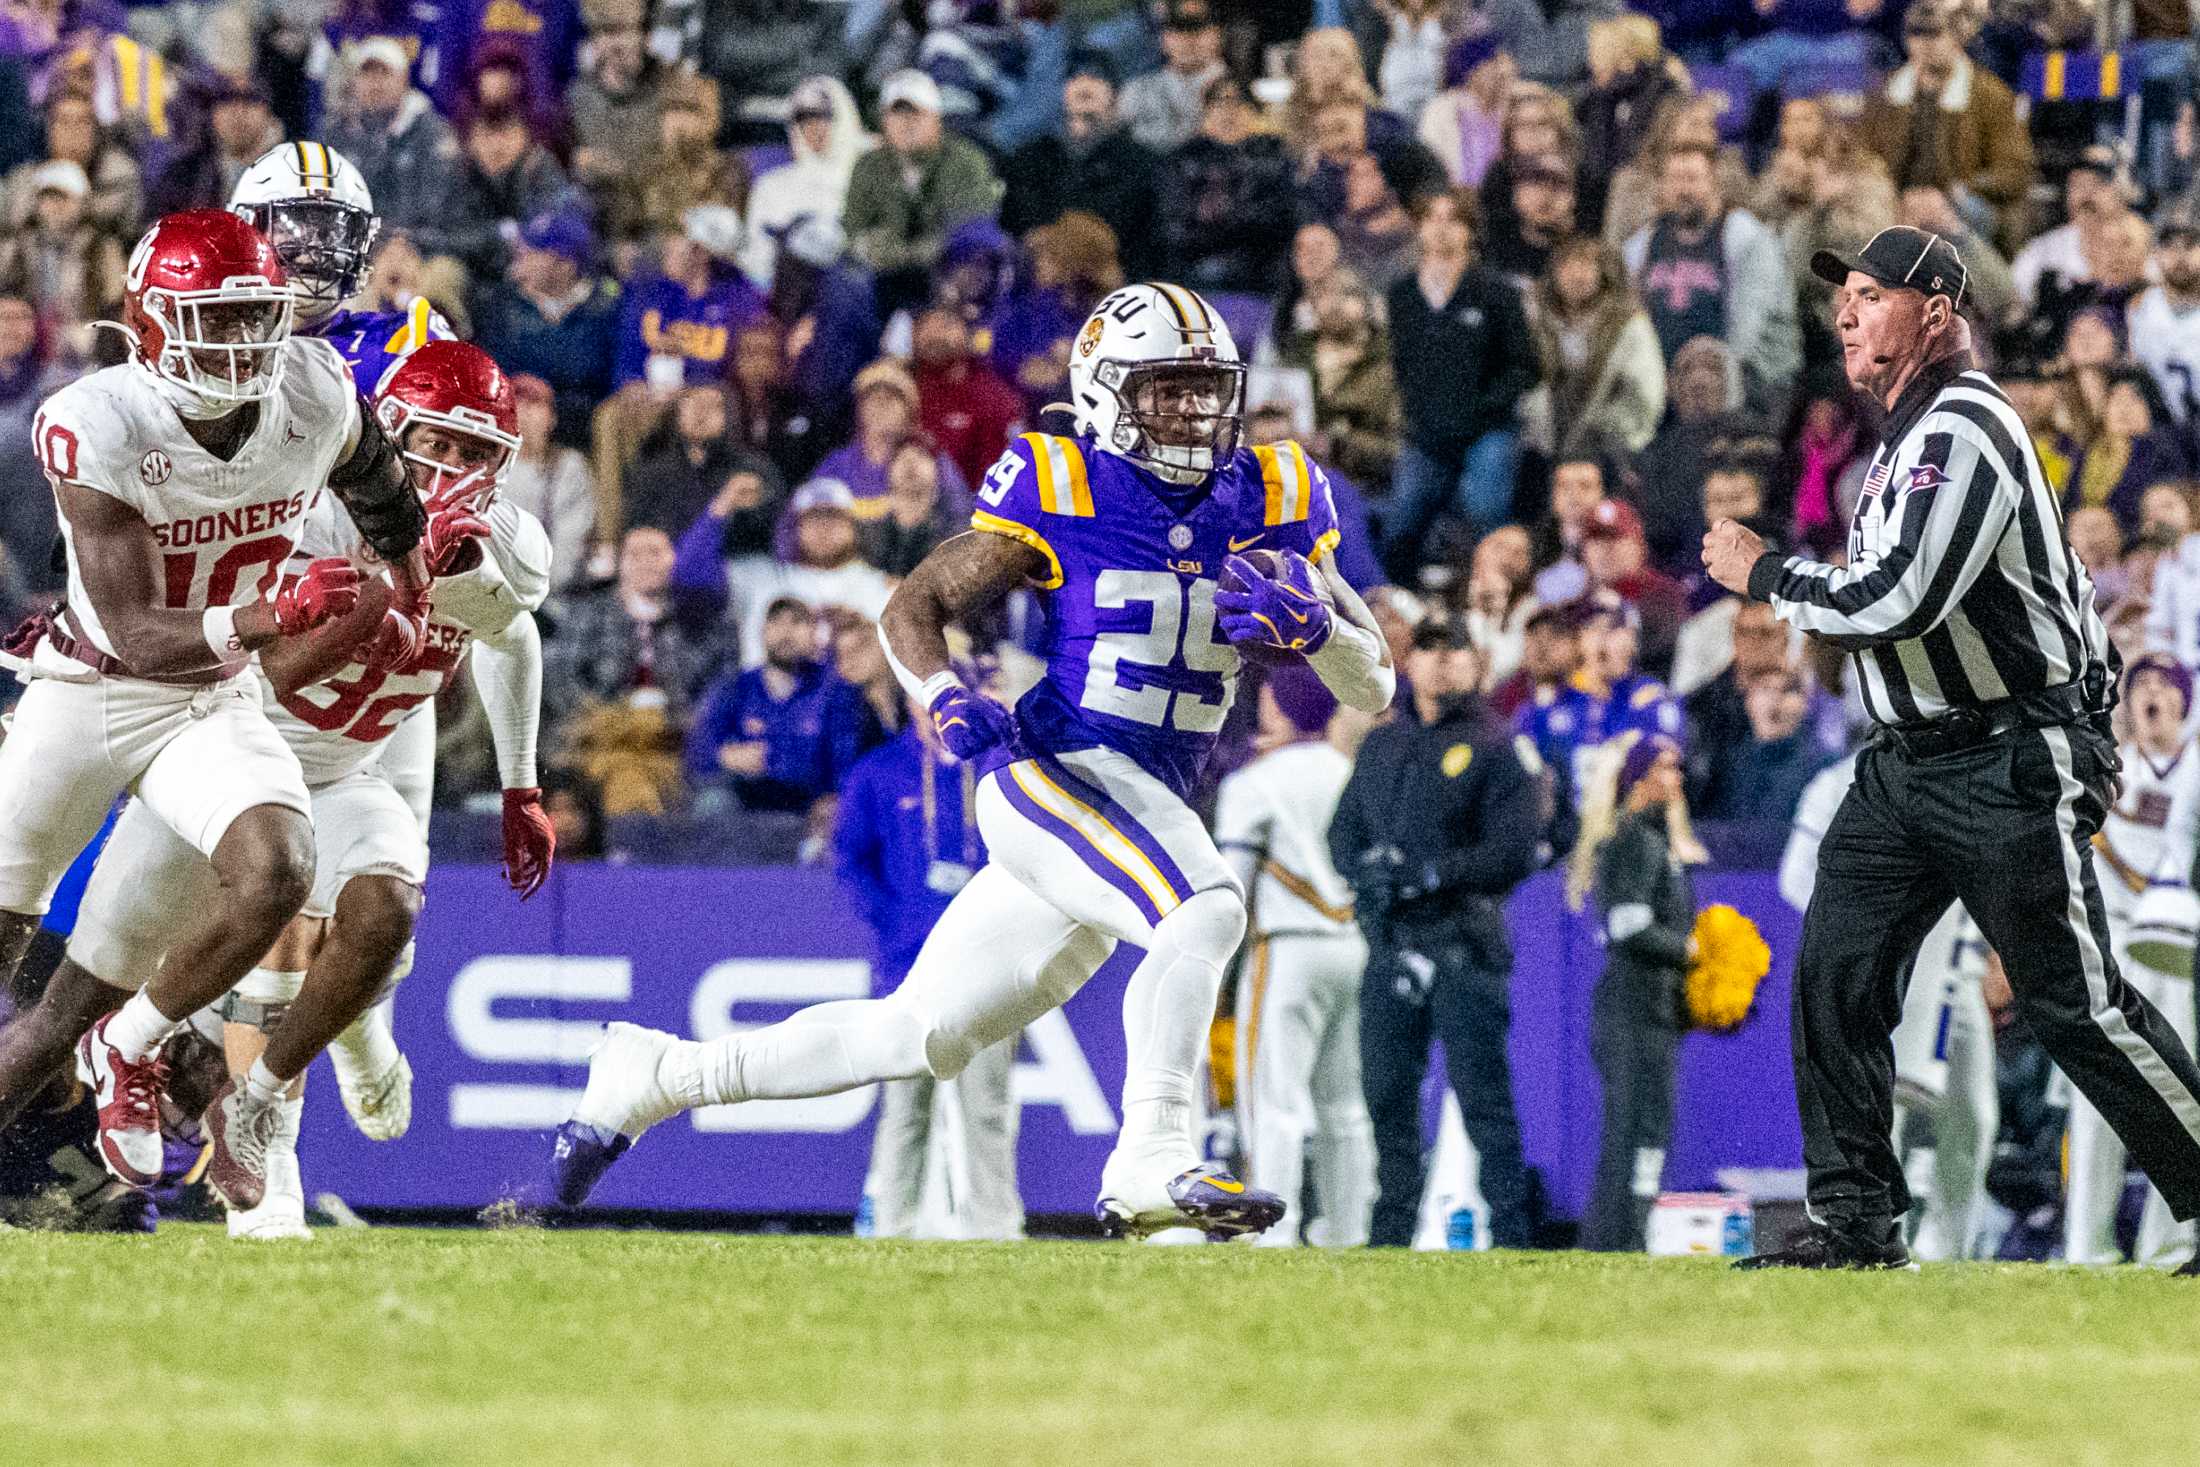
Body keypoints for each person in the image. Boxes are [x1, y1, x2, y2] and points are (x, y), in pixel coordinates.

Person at [547, 281, 1396, 1240]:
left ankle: (654, 1075)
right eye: (1168, 390)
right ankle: (1153, 1153)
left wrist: (1322, 629)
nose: (1195, 413)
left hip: (1138, 799)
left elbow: (1375, 687)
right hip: (1057, 770)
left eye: (1208, 389)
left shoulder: (1277, 491)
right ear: (1108, 393)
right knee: (1203, 907)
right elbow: (912, 606)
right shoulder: (1061, 481)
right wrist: (947, 699)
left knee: (917, 1034)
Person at [1703, 225, 2200, 1270]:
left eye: (1873, 295)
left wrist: (1765, 574)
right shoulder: (1909, 436)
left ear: (1936, 311)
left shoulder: (1964, 428)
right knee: (1835, 975)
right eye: (1844, 298)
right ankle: (1853, 1224)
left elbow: (1899, 598)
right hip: (1911, 760)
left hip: (2008, 755)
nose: (1846, 312)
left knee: (2072, 1005)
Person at [70, 341, 554, 1240]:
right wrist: (390, 586)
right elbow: (282, 676)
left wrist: (521, 786)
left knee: (386, 912)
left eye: (470, 454)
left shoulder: (507, 544)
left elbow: (512, 637)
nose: (446, 470)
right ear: (385, 436)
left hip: (340, 770)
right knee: (93, 975)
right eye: (430, 445)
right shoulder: (313, 515)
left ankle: (256, 1119)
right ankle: (118, 1066)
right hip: (229, 754)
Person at [0, 210, 431, 1212]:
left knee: (282, 865)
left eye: (252, 318)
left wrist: (403, 557)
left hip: (208, 699)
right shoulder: (94, 420)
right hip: (93, 688)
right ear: (150, 322)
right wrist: (271, 611)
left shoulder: (312, 389)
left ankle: (133, 1041)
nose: (239, 346)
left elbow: (372, 464)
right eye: (214, 320)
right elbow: (133, 633)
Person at [1331, 617, 1538, 1247]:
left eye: (1453, 651)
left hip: (1462, 942)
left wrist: (1430, 873)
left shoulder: (1498, 746)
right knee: (1386, 1096)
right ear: (1409, 662)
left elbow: (1513, 850)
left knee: (1483, 1098)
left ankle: (1514, 1237)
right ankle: (1389, 1236)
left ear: (1475, 664)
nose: (1441, 661)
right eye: (1428, 649)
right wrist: (1369, 873)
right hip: (1391, 942)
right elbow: (1343, 832)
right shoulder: (1383, 745)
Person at [1783, 754, 2001, 1263]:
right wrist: (1859, 927)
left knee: (1973, 1113)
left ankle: (1948, 1246)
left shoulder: (1946, 777)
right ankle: (1873, 1235)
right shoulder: (1835, 782)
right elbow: (1795, 878)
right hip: (1881, 960)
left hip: (1953, 968)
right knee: (1883, 1104)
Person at [836, 675, 1021, 1241]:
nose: (931, 711)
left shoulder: (998, 767)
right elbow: (848, 857)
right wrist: (891, 923)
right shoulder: (881, 769)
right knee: (905, 1103)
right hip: (908, 965)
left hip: (987, 965)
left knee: (986, 1105)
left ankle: (997, 1227)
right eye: (921, 698)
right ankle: (893, 1224)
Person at [1214, 669, 1374, 1248]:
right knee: (1345, 1105)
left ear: (1277, 709)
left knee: (1272, 1099)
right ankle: (1349, 1232)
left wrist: (1217, 975)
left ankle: (1271, 1231)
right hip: (1355, 944)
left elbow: (1233, 886)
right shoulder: (1354, 773)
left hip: (1287, 946)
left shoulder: (1255, 783)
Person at [2066, 654, 2200, 1269]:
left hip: (2179, 953)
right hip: (2113, 943)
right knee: (2098, 1097)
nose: (2148, 697)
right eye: (2138, 686)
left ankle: (2169, 1242)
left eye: (2161, 688)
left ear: (2184, 701)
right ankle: (2086, 1243)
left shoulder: (2196, 768)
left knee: (2179, 1090)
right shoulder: (2109, 767)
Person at [1569, 732, 1697, 1251]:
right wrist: (1692, 952)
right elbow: (1628, 924)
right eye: (1667, 767)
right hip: (1631, 1011)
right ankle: (1610, 1239)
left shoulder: (1652, 841)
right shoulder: (1635, 841)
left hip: (1650, 1011)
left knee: (1647, 1131)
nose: (1677, 778)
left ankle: (1634, 1233)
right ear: (1641, 779)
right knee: (1629, 1132)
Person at [1384, 187, 1533, 581]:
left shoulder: (1496, 293)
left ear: (1470, 230)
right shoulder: (1402, 295)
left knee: (1484, 505)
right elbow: (1401, 366)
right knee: (1402, 518)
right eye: (1432, 217)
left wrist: (1481, 408)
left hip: (1487, 428)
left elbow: (1524, 366)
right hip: (1426, 433)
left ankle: (1493, 591)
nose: (1441, 229)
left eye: (1453, 219)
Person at [1621, 144, 1799, 418]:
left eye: (1692, 179)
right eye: (1675, 179)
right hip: (1662, 388)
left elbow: (1747, 329)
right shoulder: (1643, 244)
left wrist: (1706, 380)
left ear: (1714, 182)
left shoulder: (1747, 238)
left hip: (1739, 387)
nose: (1683, 190)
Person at [841, 69, 1002, 320]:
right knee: (845, 280)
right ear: (883, 120)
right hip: (883, 274)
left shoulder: (966, 160)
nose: (906, 124)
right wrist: (882, 251)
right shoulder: (869, 165)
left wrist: (900, 253)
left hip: (945, 270)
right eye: (897, 114)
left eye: (916, 114)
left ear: (935, 118)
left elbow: (965, 231)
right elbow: (854, 230)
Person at [1118, 0, 1225, 155]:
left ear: (1218, 35)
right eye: (1178, 30)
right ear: (1164, 38)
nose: (1188, 40)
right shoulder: (1137, 91)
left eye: (1198, 29)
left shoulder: (1243, 89)